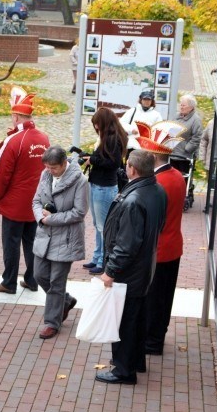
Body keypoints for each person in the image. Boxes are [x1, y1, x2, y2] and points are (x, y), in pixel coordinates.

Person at [96, 150, 167, 385]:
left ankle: (124, 370)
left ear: (132, 169)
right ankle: (135, 362)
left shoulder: (133, 200)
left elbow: (126, 244)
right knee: (135, 318)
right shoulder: (157, 190)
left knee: (125, 321)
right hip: (144, 268)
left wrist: (110, 271)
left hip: (129, 272)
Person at [0, 86, 50, 295]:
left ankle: (9, 282)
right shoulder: (44, 138)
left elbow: (1, 173)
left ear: (16, 116)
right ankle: (32, 279)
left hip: (15, 203)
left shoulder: (14, 140)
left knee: (11, 243)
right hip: (36, 202)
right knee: (32, 242)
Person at [134, 124, 187, 356]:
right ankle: (156, 338)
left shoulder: (157, 183)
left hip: (158, 249)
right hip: (172, 246)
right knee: (164, 298)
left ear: (154, 157)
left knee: (153, 301)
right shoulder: (176, 176)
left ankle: (152, 342)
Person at [31, 145, 88, 339]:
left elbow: (79, 212)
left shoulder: (80, 181)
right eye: (47, 167)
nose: (49, 170)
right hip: (45, 235)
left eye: (53, 167)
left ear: (64, 163)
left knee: (56, 281)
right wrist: (41, 218)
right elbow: (36, 201)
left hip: (66, 238)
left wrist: (51, 219)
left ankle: (51, 323)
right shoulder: (45, 175)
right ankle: (65, 300)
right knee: (39, 274)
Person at [81, 107, 128, 276]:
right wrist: (91, 157)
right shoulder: (107, 137)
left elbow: (112, 163)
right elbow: (104, 158)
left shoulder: (113, 139)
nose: (96, 127)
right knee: (97, 225)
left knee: (103, 227)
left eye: (97, 124)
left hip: (104, 187)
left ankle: (103, 260)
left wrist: (92, 159)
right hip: (97, 185)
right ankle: (97, 257)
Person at [170, 94, 204, 171]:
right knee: (173, 175)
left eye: (183, 105)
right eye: (180, 105)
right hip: (173, 153)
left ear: (191, 107)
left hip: (185, 156)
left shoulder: (196, 120)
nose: (181, 107)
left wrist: (187, 149)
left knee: (183, 176)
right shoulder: (176, 116)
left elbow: (197, 137)